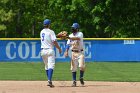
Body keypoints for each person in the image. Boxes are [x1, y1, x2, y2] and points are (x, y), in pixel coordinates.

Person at [40, 19, 62, 87]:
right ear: (49, 24)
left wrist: (57, 35)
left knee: (46, 66)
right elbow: (54, 42)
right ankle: (49, 80)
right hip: (50, 50)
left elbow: (48, 37)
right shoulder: (51, 32)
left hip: (43, 51)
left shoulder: (41, 32)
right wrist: (59, 48)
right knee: (51, 66)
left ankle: (49, 80)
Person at [64, 23, 85, 87]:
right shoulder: (70, 35)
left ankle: (81, 77)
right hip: (73, 53)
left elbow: (77, 38)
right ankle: (74, 81)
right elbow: (68, 44)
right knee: (73, 68)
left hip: (80, 53)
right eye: (72, 27)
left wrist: (68, 37)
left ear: (77, 29)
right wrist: (66, 51)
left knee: (81, 66)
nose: (72, 29)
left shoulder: (80, 33)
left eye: (74, 28)